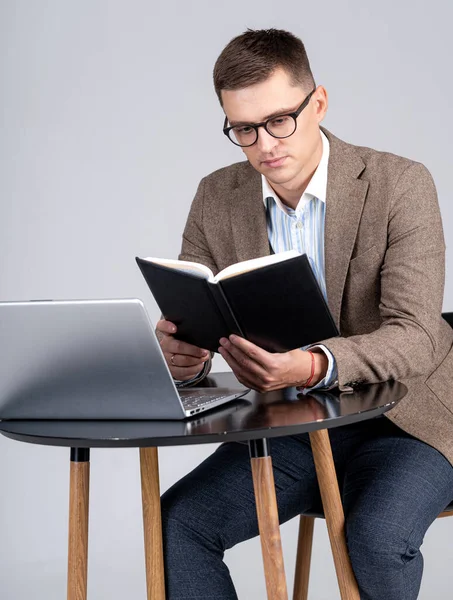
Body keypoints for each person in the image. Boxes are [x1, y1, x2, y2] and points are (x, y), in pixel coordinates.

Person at [156, 28, 453, 599]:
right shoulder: (215, 197)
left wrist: (314, 366)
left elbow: (416, 337)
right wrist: (181, 356)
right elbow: (197, 309)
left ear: (317, 102)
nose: (264, 145)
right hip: (294, 425)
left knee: (375, 538)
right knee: (179, 523)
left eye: (279, 121)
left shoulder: (399, 184)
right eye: (243, 129)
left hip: (410, 421)